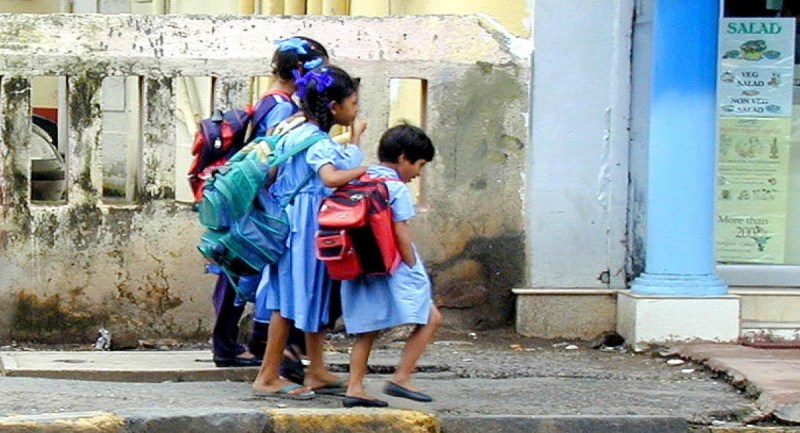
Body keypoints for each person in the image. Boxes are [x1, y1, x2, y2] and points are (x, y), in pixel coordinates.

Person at [210, 36, 328, 368]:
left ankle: (230, 344)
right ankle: (234, 346)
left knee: (238, 267)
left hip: (248, 193)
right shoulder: (284, 108)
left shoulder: (269, 99)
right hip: (261, 196)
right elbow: (274, 154)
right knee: (244, 270)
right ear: (301, 70)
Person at [252, 65, 366, 399]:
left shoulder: (296, 130)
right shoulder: (317, 141)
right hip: (304, 229)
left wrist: (354, 142)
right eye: (353, 103)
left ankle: (316, 369)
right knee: (288, 302)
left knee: (308, 295)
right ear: (334, 106)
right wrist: (364, 168)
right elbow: (331, 177)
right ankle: (267, 376)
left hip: (290, 224)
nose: (356, 110)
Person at [339, 124, 442, 408]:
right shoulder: (395, 188)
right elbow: (401, 231)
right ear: (403, 158)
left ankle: (355, 387)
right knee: (431, 318)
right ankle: (402, 377)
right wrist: (413, 266)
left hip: (360, 264)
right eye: (420, 164)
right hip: (393, 265)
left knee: (367, 329)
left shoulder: (360, 178)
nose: (419, 172)